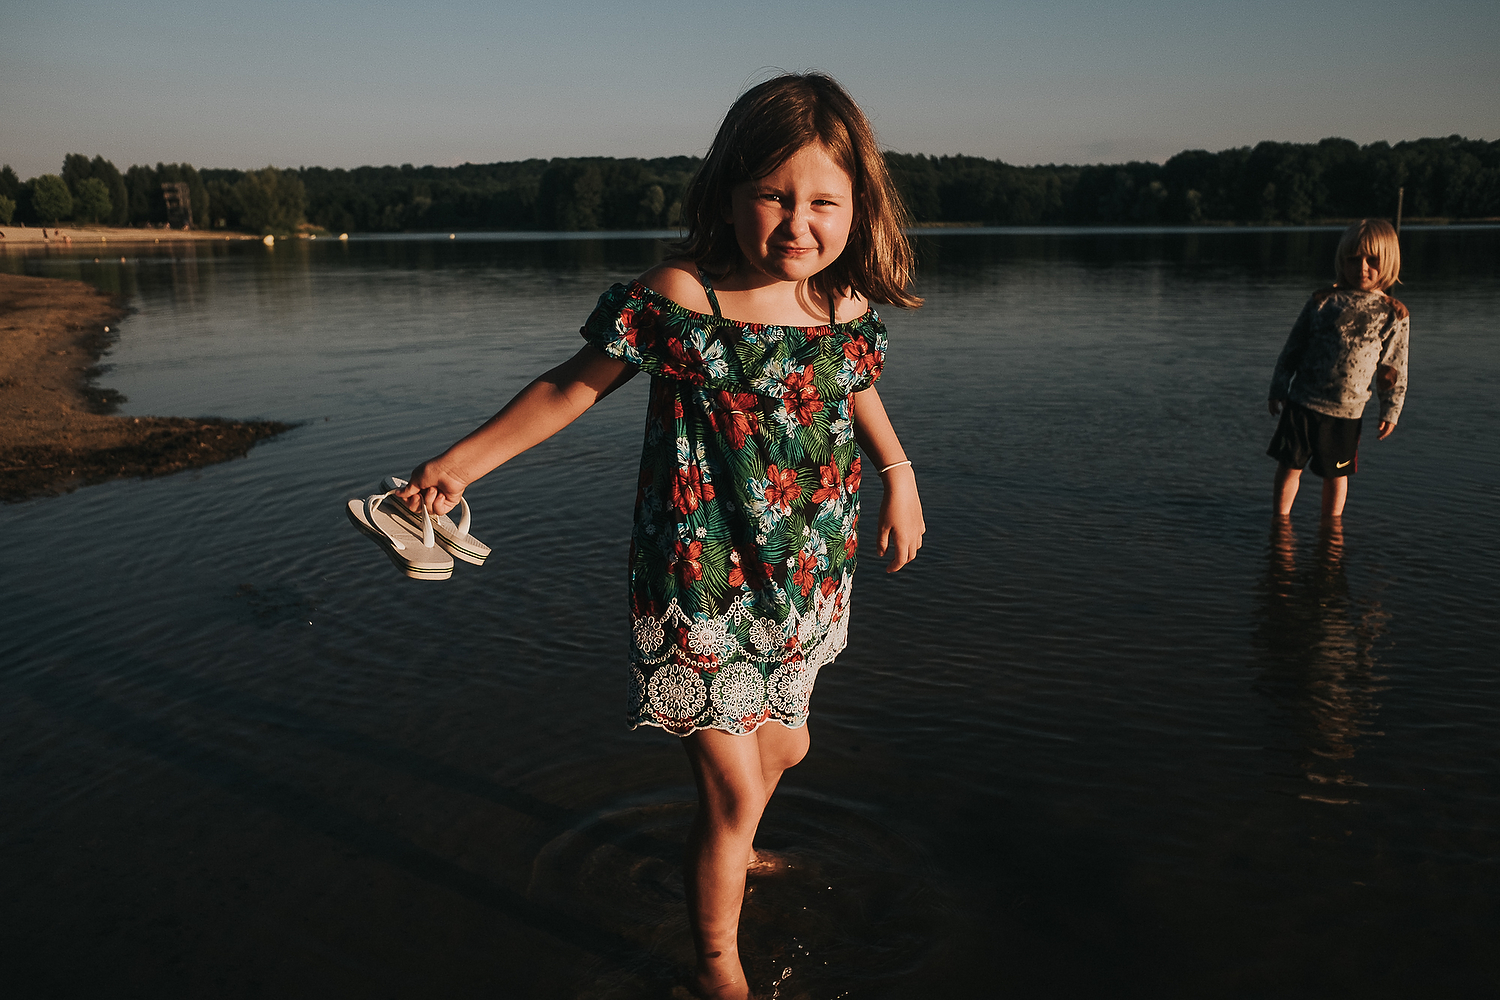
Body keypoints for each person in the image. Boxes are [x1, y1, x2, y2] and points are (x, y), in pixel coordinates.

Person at [396, 73, 926, 999]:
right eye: (774, 195)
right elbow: (570, 386)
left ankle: (738, 847)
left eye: (823, 202)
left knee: (787, 749)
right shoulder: (682, 298)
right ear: (728, 192)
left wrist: (901, 479)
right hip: (698, 579)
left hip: (806, 570)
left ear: (857, 208)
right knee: (728, 792)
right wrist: (462, 465)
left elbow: (856, 386)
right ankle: (719, 963)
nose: (798, 222)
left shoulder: (838, 306)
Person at [1267, 218, 1409, 519]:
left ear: (1388, 263)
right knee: (1289, 466)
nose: (1362, 267)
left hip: (1348, 410)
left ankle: (1330, 532)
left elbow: (1393, 369)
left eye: (1373, 260)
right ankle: (1280, 521)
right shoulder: (1323, 301)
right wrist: (1279, 387)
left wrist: (1390, 410)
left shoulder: (1392, 314)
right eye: (1354, 259)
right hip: (1303, 402)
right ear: (1341, 261)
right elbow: (1293, 347)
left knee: (1336, 475)